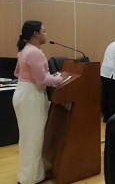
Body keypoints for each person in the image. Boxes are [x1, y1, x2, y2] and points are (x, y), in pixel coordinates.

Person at [13, 20, 70, 184]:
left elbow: (18, 73)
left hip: (24, 92)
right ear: (35, 34)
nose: (46, 34)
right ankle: (29, 179)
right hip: (31, 95)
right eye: (44, 31)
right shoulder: (34, 52)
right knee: (33, 139)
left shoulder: (25, 49)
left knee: (30, 138)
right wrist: (60, 77)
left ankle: (33, 175)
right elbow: (42, 80)